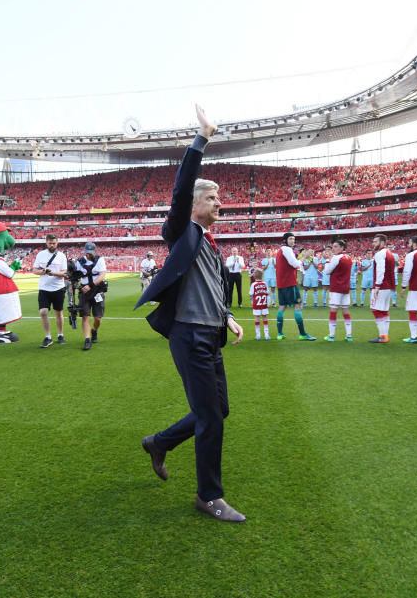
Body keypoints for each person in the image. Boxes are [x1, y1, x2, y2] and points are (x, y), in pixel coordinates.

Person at [136, 105, 246, 523]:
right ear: (194, 204)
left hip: (211, 333)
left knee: (218, 411)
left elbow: (214, 288)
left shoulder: (212, 245)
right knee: (211, 418)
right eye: (212, 197)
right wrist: (202, 139)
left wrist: (228, 316)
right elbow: (181, 190)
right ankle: (209, 496)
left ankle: (159, 442)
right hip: (188, 336)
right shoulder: (182, 230)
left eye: (219, 197)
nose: (219, 203)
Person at [275, 232, 315, 340]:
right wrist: (305, 256)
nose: (293, 241)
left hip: (282, 283)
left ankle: (279, 333)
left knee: (282, 307)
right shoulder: (287, 250)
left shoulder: (281, 250)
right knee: (297, 306)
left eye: (294, 239)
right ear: (285, 240)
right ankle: (302, 334)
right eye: (290, 239)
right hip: (289, 283)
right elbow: (296, 264)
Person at [33, 234, 68, 347]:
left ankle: (60, 334)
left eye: (54, 243)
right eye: (50, 243)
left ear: (57, 243)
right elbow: (34, 270)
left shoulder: (62, 256)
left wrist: (52, 273)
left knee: (59, 313)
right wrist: (43, 271)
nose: (52, 245)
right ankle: (48, 337)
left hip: (58, 288)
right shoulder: (40, 254)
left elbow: (64, 273)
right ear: (46, 243)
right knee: (43, 312)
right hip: (44, 288)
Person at [75, 242, 107, 351]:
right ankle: (87, 339)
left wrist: (91, 285)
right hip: (84, 291)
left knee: (98, 318)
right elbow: (76, 276)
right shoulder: (79, 261)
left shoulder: (100, 260)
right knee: (85, 316)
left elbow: (102, 275)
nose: (88, 255)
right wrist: (73, 286)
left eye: (90, 253)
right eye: (87, 253)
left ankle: (94, 331)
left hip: (97, 290)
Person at [323, 239, 354, 342]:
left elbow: (327, 271)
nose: (333, 249)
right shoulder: (349, 257)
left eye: (336, 246)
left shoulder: (337, 258)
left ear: (342, 247)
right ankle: (349, 335)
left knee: (333, 310)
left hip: (336, 287)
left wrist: (327, 260)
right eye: (333, 247)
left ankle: (331, 336)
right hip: (345, 288)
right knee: (345, 310)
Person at [369, 234, 396, 343]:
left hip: (382, 286)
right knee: (384, 311)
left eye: (375, 242)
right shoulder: (389, 253)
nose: (373, 244)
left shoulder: (380, 254)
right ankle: (385, 336)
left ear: (382, 242)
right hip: (388, 286)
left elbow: (381, 270)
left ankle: (382, 336)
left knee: (376, 310)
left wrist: (377, 286)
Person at [249, 268, 271, 340]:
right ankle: (266, 335)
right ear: (262, 276)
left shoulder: (253, 284)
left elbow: (250, 294)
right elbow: (268, 293)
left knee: (257, 319)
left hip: (256, 305)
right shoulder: (264, 284)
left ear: (254, 277)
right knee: (264, 318)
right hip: (264, 305)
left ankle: (258, 335)